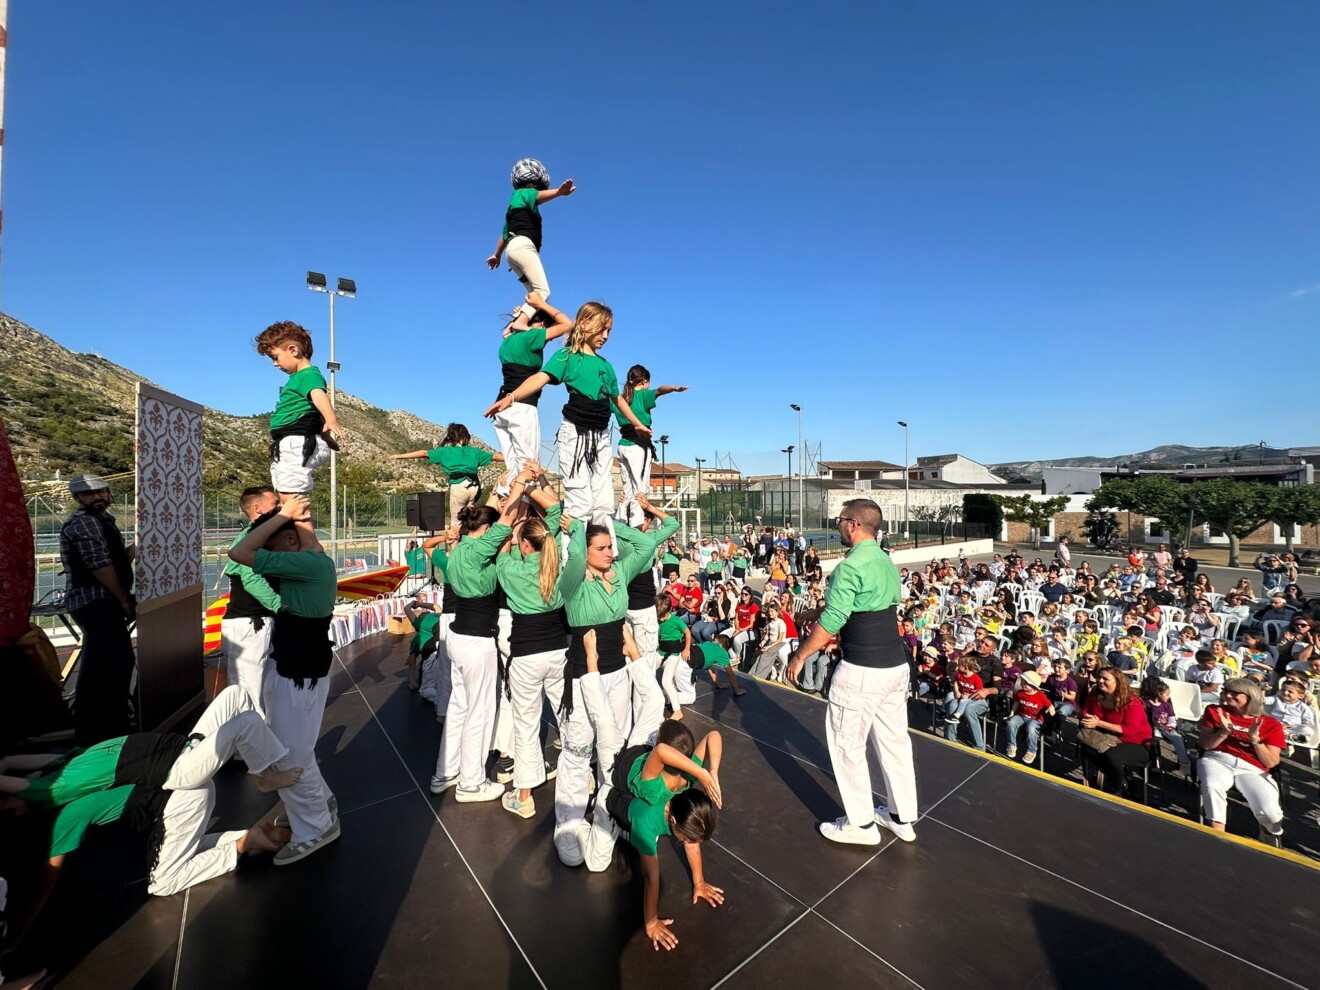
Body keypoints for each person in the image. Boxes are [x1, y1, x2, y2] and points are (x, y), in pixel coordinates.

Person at [0, 686, 300, 902]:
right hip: (183, 759)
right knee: (238, 707)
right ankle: (261, 780)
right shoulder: (65, 773)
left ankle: (263, 779)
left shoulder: (62, 776)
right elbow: (22, 774)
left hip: (181, 766)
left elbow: (24, 772)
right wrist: (9, 766)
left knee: (162, 884)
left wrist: (8, 764)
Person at [551, 494, 678, 864]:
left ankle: (608, 817)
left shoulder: (620, 572)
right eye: (602, 548)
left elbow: (653, 537)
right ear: (587, 550)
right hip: (583, 675)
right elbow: (575, 557)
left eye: (611, 547)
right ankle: (568, 826)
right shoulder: (572, 580)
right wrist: (577, 526)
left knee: (615, 750)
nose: (610, 552)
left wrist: (608, 521)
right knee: (577, 750)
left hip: (618, 674)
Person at [787, 498, 918, 846]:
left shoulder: (849, 567)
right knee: (894, 743)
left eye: (839, 520)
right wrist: (816, 611)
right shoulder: (886, 561)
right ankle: (901, 817)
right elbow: (868, 605)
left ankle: (860, 827)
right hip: (894, 667)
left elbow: (835, 620)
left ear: (854, 524)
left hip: (862, 671)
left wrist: (800, 655)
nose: (837, 526)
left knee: (847, 746)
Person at [228, 495, 341, 865]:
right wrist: (293, 517)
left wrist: (287, 516)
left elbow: (241, 553)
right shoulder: (310, 558)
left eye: (270, 546)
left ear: (290, 543)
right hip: (294, 664)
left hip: (301, 671)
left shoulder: (308, 564)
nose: (266, 556)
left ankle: (316, 826)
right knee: (291, 747)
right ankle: (318, 803)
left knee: (292, 755)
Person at [484, 302, 652, 534]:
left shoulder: (606, 365)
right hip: (575, 432)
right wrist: (511, 397)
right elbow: (539, 378)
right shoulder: (567, 356)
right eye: (601, 329)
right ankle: (573, 553)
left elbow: (618, 399)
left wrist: (637, 424)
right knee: (579, 498)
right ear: (583, 324)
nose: (605, 336)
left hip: (601, 436)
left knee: (603, 500)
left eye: (609, 331)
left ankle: (605, 553)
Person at [427, 482, 527, 803]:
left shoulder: (457, 553)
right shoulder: (478, 550)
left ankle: (445, 772)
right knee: (481, 711)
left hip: (456, 637)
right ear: (484, 528)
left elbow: (503, 525)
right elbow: (507, 525)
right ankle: (471, 782)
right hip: (476, 641)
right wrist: (520, 485)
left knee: (458, 708)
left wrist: (504, 495)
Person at [495, 465, 569, 819]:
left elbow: (499, 538)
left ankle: (523, 795)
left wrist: (515, 491)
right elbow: (553, 512)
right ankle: (580, 778)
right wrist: (535, 483)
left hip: (526, 655)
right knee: (569, 717)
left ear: (524, 544)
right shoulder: (554, 562)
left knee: (527, 726)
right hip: (559, 650)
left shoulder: (511, 569)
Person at [58, 474, 137, 745]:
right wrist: (123, 598)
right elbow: (100, 566)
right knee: (108, 664)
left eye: (101, 492)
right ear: (77, 498)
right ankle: (100, 729)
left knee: (108, 662)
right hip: (95, 600)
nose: (97, 497)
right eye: (89, 494)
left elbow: (114, 561)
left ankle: (102, 726)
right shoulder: (85, 523)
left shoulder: (102, 521)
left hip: (98, 600)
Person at [253, 321, 342, 512]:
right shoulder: (297, 379)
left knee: (290, 495)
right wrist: (326, 437)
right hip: (295, 440)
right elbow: (312, 411)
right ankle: (299, 533)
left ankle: (306, 537)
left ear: (293, 350)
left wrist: (331, 419)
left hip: (298, 441)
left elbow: (318, 395)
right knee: (285, 492)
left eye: (275, 357)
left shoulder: (308, 375)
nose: (275, 364)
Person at [489, 291, 572, 484]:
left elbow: (508, 330)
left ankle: (509, 508)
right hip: (521, 405)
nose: (548, 339)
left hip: (501, 405)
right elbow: (568, 324)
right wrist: (542, 304)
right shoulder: (533, 336)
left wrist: (524, 312)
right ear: (542, 324)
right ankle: (522, 512)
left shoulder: (508, 340)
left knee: (513, 468)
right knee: (528, 468)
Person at [485, 158, 576, 332]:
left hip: (512, 252)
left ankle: (514, 324)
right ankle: (520, 323)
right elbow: (537, 196)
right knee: (543, 292)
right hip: (523, 247)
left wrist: (496, 255)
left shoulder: (513, 209)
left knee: (534, 296)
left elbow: (504, 235)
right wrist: (558, 192)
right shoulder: (523, 193)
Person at [1198, 678, 1286, 845]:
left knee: (1270, 813)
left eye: (1234, 693)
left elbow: (1271, 762)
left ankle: (1267, 832)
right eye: (1226, 691)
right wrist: (1224, 732)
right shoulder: (1215, 711)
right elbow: (1205, 745)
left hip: (1252, 768)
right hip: (1218, 759)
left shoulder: (1271, 724)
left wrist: (1255, 739)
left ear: (1250, 697)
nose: (1228, 695)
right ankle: (1216, 837)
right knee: (1212, 785)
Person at [220, 486, 282, 719]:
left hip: (254, 621)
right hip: (249, 623)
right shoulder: (252, 537)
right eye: (275, 503)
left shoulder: (255, 535)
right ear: (257, 508)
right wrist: (281, 606)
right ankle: (248, 749)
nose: (280, 507)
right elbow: (251, 579)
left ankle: (257, 744)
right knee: (248, 693)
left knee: (259, 687)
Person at [614, 366, 687, 528]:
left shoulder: (619, 399)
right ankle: (637, 523)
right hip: (637, 445)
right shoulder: (643, 395)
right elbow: (660, 390)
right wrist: (674, 389)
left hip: (622, 445)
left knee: (627, 486)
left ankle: (621, 520)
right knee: (640, 486)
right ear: (645, 381)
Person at [388, 424, 503, 527]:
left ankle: (456, 549)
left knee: (456, 522)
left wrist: (399, 456)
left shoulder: (445, 451)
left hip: (459, 486)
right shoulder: (474, 451)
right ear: (465, 436)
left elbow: (423, 453)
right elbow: (495, 457)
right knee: (469, 518)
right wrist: (516, 459)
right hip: (475, 487)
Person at [1077, 667, 1152, 795]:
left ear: (1118, 682)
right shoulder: (1096, 693)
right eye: (1099, 677)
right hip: (1106, 736)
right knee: (1087, 748)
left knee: (1112, 756)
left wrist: (1099, 723)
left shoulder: (1132, 702)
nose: (1100, 681)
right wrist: (1089, 718)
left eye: (1105, 679)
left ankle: (1116, 789)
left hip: (1136, 742)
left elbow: (1129, 730)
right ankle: (1120, 779)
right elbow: (1085, 711)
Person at [1141, 676, 1191, 776]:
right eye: (1167, 694)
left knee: (1178, 738)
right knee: (1152, 742)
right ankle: (1155, 763)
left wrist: (1170, 726)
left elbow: (1172, 718)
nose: (1168, 697)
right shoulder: (1147, 704)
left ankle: (1184, 765)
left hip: (1165, 727)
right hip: (1153, 728)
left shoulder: (1167, 705)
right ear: (1159, 694)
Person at [1004, 670, 1054, 763]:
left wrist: (1051, 711)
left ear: (1033, 685)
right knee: (1011, 723)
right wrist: (1011, 713)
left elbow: (1049, 705)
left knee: (1031, 728)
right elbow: (1016, 703)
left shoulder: (1040, 696)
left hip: (1036, 719)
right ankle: (1011, 745)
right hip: (1021, 715)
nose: (1023, 684)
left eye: (1026, 683)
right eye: (1022, 682)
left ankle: (1031, 750)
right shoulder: (1020, 693)